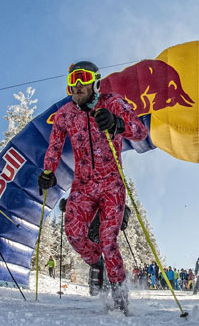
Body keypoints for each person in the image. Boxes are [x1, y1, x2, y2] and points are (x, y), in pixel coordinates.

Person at [38, 61, 147, 312]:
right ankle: (96, 263)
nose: (77, 84)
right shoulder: (65, 113)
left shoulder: (111, 103)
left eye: (83, 78)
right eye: (73, 79)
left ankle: (120, 293)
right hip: (83, 185)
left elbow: (139, 130)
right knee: (74, 234)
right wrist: (48, 172)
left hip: (111, 183)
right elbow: (54, 146)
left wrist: (117, 123)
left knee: (109, 240)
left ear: (95, 82)